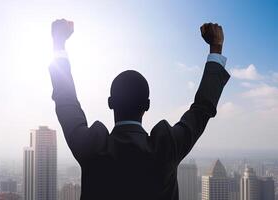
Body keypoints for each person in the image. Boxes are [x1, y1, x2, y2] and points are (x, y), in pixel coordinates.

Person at [49, 19, 230, 200]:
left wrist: (59, 44)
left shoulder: (92, 148)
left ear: (110, 103)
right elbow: (202, 108)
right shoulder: (166, 148)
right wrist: (215, 48)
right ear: (147, 105)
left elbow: (66, 102)